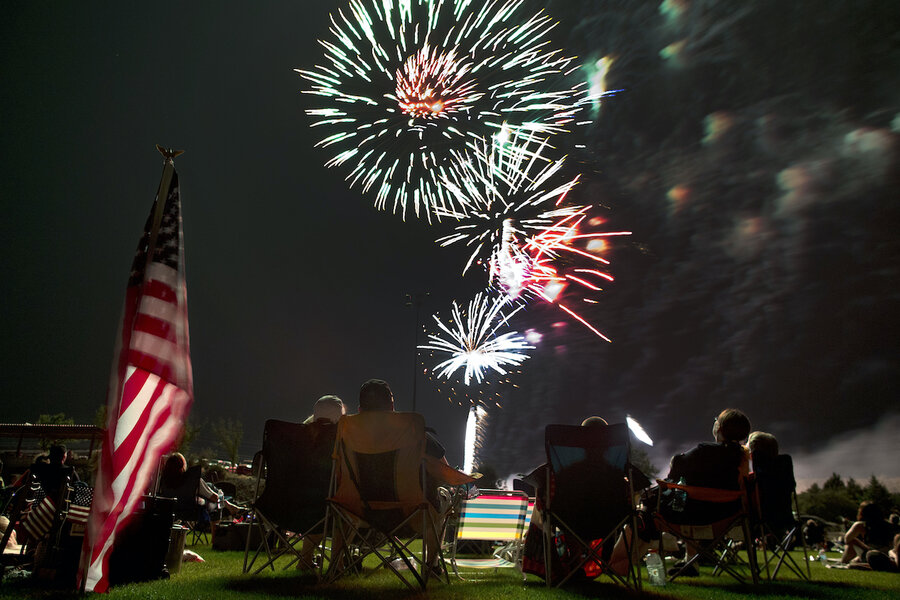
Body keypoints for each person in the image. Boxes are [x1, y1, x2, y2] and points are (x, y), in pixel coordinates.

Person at [609, 408, 752, 577]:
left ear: (719, 427)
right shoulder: (743, 458)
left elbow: (676, 468)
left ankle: (617, 564)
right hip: (725, 518)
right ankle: (690, 561)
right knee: (662, 511)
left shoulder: (703, 451)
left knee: (643, 516)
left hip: (689, 516)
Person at [841, 501, 900, 572]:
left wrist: (861, 544)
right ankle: (855, 561)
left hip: (871, 556)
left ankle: (844, 561)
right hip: (887, 557)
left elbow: (847, 539)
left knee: (852, 541)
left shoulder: (861, 525)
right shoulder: (887, 525)